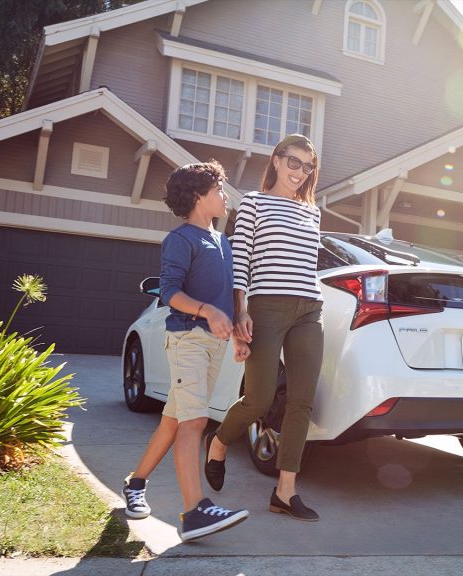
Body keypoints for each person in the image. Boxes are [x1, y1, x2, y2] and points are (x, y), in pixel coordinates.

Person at [121, 161, 250, 542]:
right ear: (199, 195)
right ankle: (195, 511)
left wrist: (239, 329)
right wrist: (206, 310)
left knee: (175, 421)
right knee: (195, 422)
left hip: (213, 345)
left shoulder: (221, 241)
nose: (225, 196)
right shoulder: (181, 240)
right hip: (187, 339)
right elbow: (169, 291)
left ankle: (135, 483)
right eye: (219, 190)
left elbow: (226, 296)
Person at [204, 134, 324, 522]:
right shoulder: (254, 203)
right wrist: (240, 312)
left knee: (301, 401)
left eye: (308, 167)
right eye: (294, 163)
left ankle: (285, 492)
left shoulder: (313, 212)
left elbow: (308, 266)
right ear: (275, 160)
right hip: (266, 307)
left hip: (309, 309)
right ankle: (219, 442)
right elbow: (241, 261)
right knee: (259, 398)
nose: (300, 173)